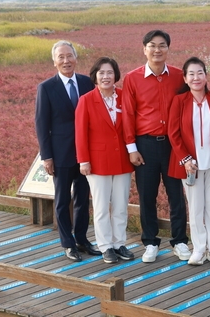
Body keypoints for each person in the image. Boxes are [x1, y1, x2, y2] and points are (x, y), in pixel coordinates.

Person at [122, 29, 190, 263]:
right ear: (144, 49)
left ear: (168, 49)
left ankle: (180, 241)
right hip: (145, 145)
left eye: (162, 45)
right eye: (152, 45)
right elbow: (128, 115)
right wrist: (132, 148)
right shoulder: (132, 78)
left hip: (173, 146)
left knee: (176, 195)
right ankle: (150, 242)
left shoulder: (180, 76)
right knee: (147, 196)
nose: (157, 50)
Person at [35, 40, 99, 262]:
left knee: (83, 198)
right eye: (61, 57)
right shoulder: (46, 88)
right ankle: (67, 243)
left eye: (69, 56)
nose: (66, 60)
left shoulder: (86, 82)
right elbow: (41, 124)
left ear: (76, 58)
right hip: (60, 155)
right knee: (63, 200)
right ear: (54, 61)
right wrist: (47, 156)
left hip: (85, 154)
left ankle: (82, 239)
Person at [168, 57, 210, 266]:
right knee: (195, 208)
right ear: (185, 78)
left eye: (200, 73)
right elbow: (173, 134)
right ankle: (199, 249)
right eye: (191, 74)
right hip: (191, 165)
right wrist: (185, 159)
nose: (196, 78)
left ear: (206, 76)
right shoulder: (179, 101)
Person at [75, 57, 134, 264]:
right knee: (101, 207)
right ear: (95, 76)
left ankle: (119, 243)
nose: (106, 77)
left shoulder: (124, 96)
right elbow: (80, 133)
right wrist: (83, 160)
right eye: (102, 73)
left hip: (122, 160)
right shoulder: (87, 100)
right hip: (97, 161)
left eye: (110, 72)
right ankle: (105, 246)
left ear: (116, 75)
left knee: (120, 206)